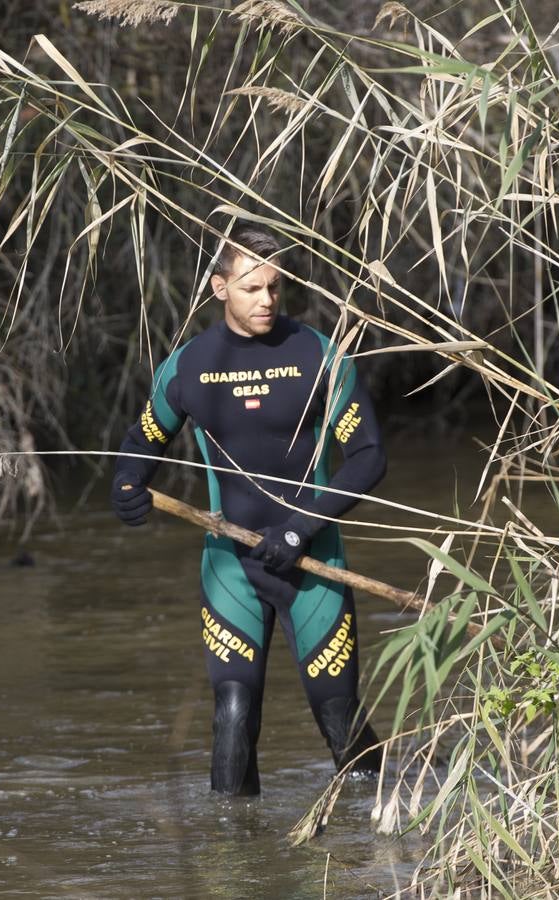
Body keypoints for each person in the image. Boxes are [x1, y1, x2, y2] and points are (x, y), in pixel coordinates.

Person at [111, 226, 386, 796]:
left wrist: (301, 528)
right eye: (252, 287)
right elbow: (144, 441)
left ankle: (382, 840)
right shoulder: (188, 366)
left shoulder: (317, 354)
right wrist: (127, 482)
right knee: (232, 714)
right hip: (230, 567)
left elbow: (367, 458)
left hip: (312, 565)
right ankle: (232, 859)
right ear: (219, 288)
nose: (266, 299)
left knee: (339, 719)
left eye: (275, 287)